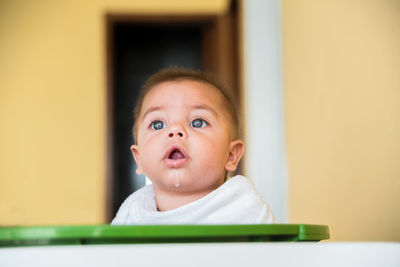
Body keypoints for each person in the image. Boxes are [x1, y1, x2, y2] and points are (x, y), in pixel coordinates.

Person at [112, 67, 276, 224]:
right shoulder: (133, 214)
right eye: (157, 124)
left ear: (231, 155)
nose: (175, 130)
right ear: (139, 159)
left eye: (197, 122)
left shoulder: (244, 208)